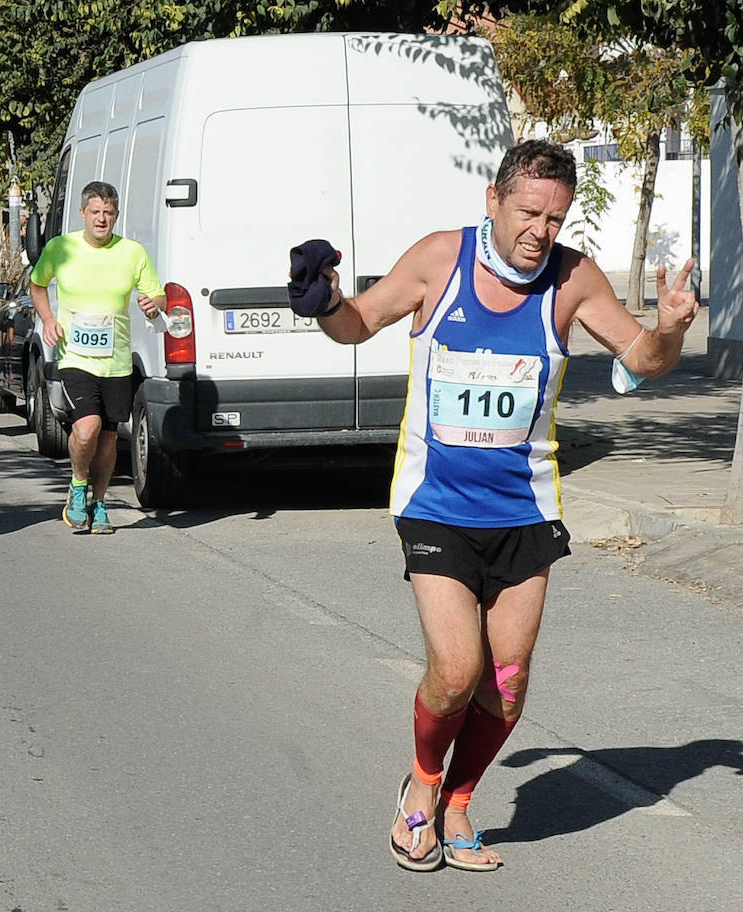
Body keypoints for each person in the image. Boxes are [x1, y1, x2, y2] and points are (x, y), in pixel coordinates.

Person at [291, 139, 700, 872]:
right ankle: (419, 790)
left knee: (506, 684)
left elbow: (640, 359)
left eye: (555, 216)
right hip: (436, 504)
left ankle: (457, 802)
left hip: (525, 512)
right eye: (528, 211)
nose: (540, 230)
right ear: (494, 199)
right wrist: (322, 301)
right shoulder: (440, 259)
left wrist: (668, 328)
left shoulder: (573, 279)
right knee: (456, 670)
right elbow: (358, 323)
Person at [29, 180, 164, 534]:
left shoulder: (132, 252)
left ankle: (99, 503)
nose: (101, 219)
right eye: (95, 212)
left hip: (116, 360)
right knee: (86, 429)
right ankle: (77, 485)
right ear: (83, 214)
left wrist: (153, 305)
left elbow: (157, 294)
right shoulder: (61, 247)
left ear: (116, 215)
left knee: (107, 439)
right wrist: (47, 319)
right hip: (75, 355)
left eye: (108, 213)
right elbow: (37, 283)